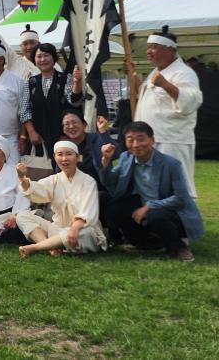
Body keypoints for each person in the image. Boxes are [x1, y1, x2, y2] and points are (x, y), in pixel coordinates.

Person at [99, 121, 203, 262]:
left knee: (155, 215)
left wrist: (149, 206)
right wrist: (106, 160)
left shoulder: (171, 164)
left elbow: (180, 198)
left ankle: (179, 247)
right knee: (115, 208)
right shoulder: (126, 158)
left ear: (152, 140)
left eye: (141, 139)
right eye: (130, 140)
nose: (136, 144)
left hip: (171, 212)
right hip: (143, 206)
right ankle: (145, 243)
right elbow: (109, 181)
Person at [128, 26, 203, 197]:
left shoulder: (184, 73)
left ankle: (184, 221)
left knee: (177, 185)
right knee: (153, 185)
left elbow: (191, 101)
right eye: (148, 47)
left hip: (172, 140)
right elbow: (149, 97)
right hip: (150, 139)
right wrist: (134, 77)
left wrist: (166, 84)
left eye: (153, 47)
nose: (148, 51)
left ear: (169, 50)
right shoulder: (156, 72)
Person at [15, 140, 107, 258]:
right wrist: (22, 178)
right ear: (54, 157)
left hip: (81, 230)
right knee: (22, 216)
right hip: (58, 229)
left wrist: (74, 229)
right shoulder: (54, 180)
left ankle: (37, 247)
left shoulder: (88, 181)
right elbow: (35, 190)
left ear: (77, 157)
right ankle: (51, 247)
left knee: (85, 232)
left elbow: (88, 213)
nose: (64, 159)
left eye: (69, 154)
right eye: (60, 154)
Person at [22, 43, 84, 159]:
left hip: (62, 134)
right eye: (39, 56)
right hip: (39, 136)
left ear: (54, 58)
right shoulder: (31, 82)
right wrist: (31, 132)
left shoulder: (65, 78)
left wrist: (76, 82)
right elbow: (24, 110)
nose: (43, 59)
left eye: (46, 55)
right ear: (34, 60)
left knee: (64, 166)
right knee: (41, 172)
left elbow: (73, 100)